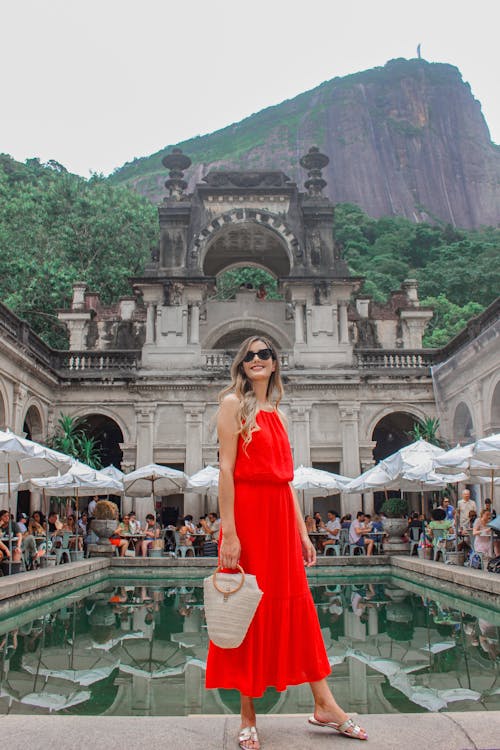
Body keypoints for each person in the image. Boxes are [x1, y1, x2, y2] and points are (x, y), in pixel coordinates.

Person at [205, 336, 367, 748]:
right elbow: (225, 471)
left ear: (275, 364)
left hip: (279, 519)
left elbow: (286, 481)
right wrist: (230, 533)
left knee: (297, 607)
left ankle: (324, 703)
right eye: (250, 356)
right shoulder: (230, 405)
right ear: (242, 366)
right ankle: (247, 714)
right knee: (247, 612)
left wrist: (302, 533)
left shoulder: (277, 411)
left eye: (265, 355)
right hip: (247, 519)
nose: (257, 360)